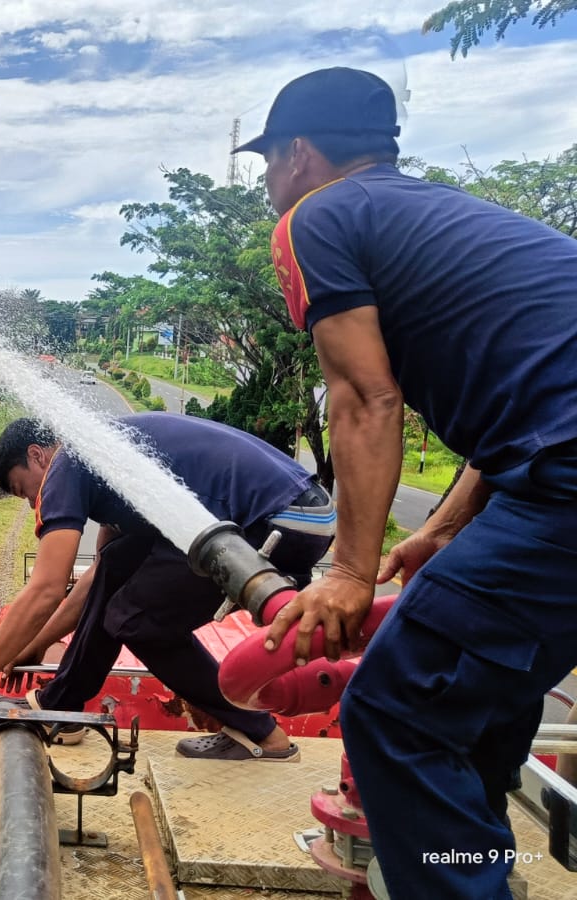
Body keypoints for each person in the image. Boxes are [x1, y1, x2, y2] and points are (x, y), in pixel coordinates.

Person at [233, 66, 577, 897]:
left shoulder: (316, 217)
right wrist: (447, 528)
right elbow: (531, 404)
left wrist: (349, 571)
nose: (269, 185)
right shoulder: (447, 217)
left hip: (561, 489)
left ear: (302, 155)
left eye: (269, 164)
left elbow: (362, 396)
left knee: (394, 713)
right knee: (481, 704)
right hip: (553, 471)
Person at [0, 413, 335, 761]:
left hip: (279, 519)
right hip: (306, 510)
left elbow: (47, 588)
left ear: (37, 456)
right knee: (119, 565)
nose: (35, 503)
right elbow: (99, 579)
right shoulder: (101, 460)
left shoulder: (67, 463)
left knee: (136, 622)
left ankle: (262, 733)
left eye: (24, 490)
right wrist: (32, 645)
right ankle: (60, 706)